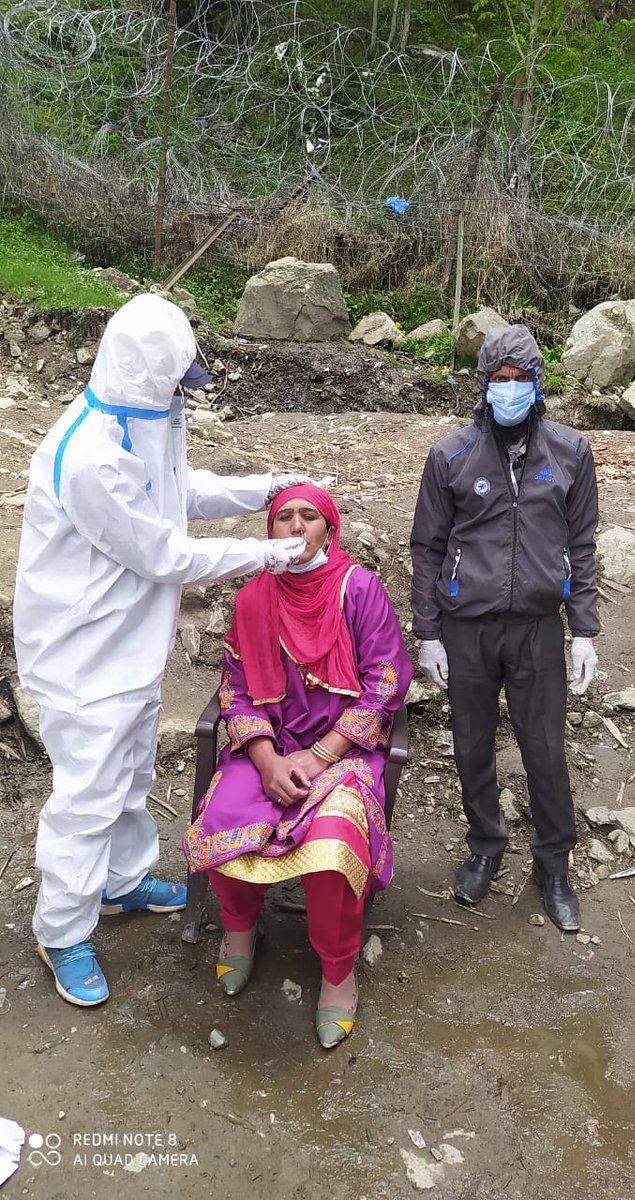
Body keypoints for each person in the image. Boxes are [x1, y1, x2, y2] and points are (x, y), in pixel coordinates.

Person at [14, 292, 310, 1007]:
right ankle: (62, 930)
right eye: (177, 383)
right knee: (87, 798)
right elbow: (164, 551)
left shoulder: (143, 421)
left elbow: (179, 491)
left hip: (129, 646)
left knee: (127, 775)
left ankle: (120, 880)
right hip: (84, 658)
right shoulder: (90, 454)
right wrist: (268, 554)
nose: (185, 396)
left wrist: (266, 488)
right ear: (150, 376)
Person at [183, 484, 412, 1048]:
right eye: (283, 517)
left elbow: (385, 683)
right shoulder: (253, 598)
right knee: (224, 818)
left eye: (310, 517)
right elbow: (235, 689)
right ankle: (238, 931)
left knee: (335, 843)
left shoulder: (358, 589)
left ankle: (337, 970)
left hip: (342, 751)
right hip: (270, 745)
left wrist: (319, 754)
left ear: (328, 531)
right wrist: (264, 758)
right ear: (270, 533)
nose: (295, 526)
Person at [410, 324, 600, 932]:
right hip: (468, 628)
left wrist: (586, 630)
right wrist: (428, 631)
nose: (511, 390)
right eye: (500, 379)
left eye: (521, 380)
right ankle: (485, 844)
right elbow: (428, 547)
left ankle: (554, 864)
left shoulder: (570, 453)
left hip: (538, 627)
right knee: (471, 743)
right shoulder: (450, 456)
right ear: (483, 384)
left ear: (539, 384)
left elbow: (583, 545)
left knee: (544, 748)